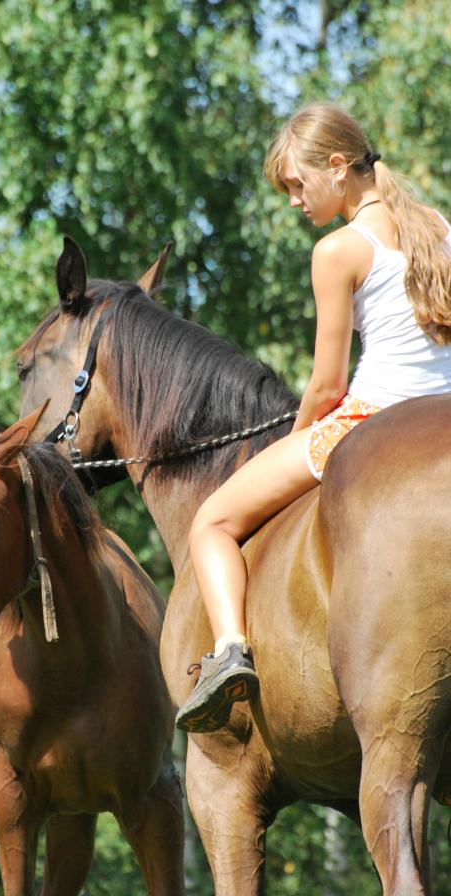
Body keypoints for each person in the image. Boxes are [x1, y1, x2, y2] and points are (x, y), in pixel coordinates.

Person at [175, 102, 451, 734]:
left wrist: (299, 438)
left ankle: (228, 652)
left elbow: (327, 384)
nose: (295, 201)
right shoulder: (439, 227)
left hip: (370, 418)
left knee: (211, 522)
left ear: (336, 166)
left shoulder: (338, 250)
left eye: (299, 185)